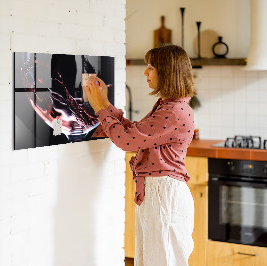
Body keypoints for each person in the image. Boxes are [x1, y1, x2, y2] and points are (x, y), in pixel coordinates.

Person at [84, 44, 196, 266]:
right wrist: (105, 104)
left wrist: (99, 108)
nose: (145, 72)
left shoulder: (173, 111)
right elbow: (135, 133)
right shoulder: (169, 106)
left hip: (164, 195)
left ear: (167, 72)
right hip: (159, 193)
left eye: (151, 67)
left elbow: (127, 141)